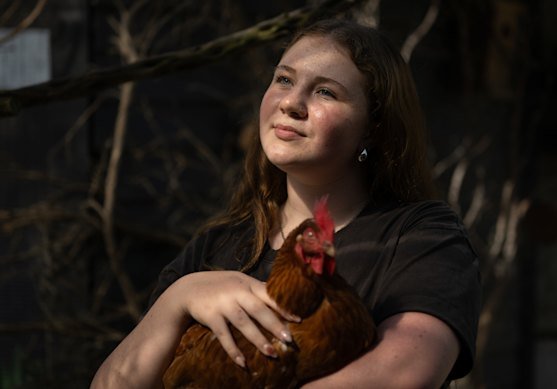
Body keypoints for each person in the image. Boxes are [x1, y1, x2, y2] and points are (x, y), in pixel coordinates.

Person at [91, 18, 481, 388]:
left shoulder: (419, 235)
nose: (291, 102)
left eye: (325, 91)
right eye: (283, 79)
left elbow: (406, 374)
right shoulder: (218, 246)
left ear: (373, 129)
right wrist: (179, 298)